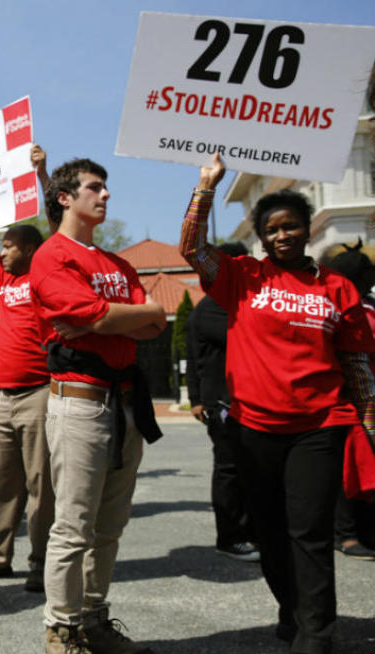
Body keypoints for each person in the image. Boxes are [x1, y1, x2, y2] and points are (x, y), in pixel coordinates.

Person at [179, 153, 375, 654]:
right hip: (254, 430)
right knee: (270, 531)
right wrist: (205, 187)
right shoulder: (241, 276)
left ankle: (317, 632)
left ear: (307, 230)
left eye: (291, 226)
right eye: (272, 229)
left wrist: (370, 417)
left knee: (309, 533)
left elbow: (354, 360)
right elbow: (192, 248)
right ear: (261, 236)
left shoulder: (337, 288)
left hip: (320, 425)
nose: (282, 235)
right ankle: (291, 609)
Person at [30, 159, 166, 654]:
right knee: (73, 525)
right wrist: (115, 316)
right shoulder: (51, 256)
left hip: (126, 403)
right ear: (64, 197)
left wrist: (122, 317)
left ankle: (92, 620)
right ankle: (60, 630)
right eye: (94, 187)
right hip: (80, 402)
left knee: (110, 525)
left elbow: (155, 322)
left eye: (106, 188)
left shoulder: (116, 262)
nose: (105, 195)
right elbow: (88, 312)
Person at [0, 221, 54, 594]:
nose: (3, 251)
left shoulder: (46, 278)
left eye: (12, 246)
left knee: (41, 485)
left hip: (40, 392)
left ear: (33, 250)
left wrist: (41, 175)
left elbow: (58, 234)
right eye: (4, 245)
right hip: (6, 396)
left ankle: (42, 563)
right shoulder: (6, 279)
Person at [185, 241, 259, 563]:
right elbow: (197, 355)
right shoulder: (216, 305)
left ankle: (250, 532)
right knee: (230, 470)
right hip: (225, 402)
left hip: (233, 399)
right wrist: (198, 398)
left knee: (246, 470)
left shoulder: (223, 301)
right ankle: (231, 538)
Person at [323, 241, 375, 560]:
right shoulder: (339, 304)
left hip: (366, 394)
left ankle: (363, 532)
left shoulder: (367, 304)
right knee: (352, 468)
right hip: (348, 398)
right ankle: (346, 534)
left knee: (365, 467)